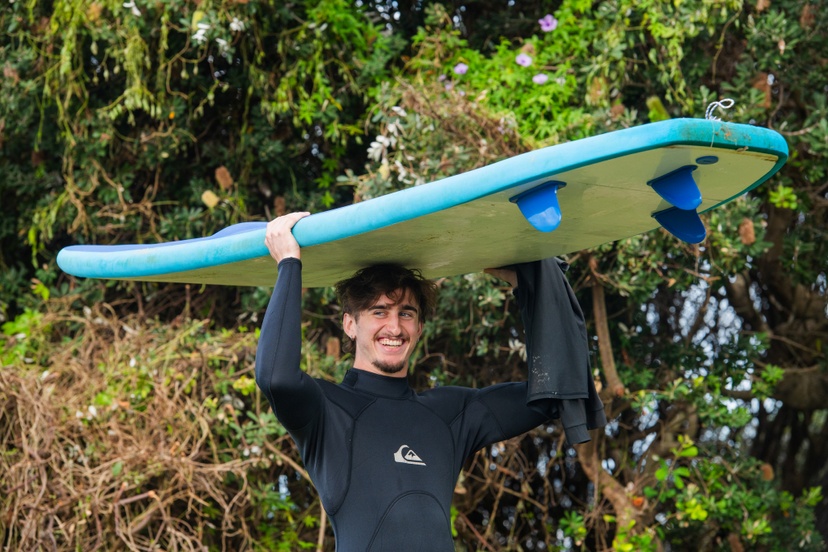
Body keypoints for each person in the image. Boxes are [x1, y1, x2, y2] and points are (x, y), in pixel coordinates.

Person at [255, 212, 604, 551]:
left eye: (406, 313)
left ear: (419, 328)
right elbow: (276, 377)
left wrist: (532, 283)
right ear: (349, 324)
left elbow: (556, 392)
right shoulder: (326, 411)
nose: (394, 327)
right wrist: (288, 263)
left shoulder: (450, 414)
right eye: (379, 312)